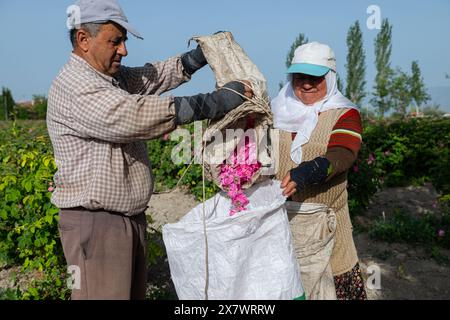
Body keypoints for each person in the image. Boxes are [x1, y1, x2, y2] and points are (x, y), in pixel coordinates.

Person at [47, 0, 253, 300]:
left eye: (124, 41)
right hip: (95, 225)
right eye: (114, 41)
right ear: (83, 39)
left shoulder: (111, 78)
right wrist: (214, 102)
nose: (123, 50)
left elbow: (150, 76)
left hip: (124, 221)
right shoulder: (75, 85)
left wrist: (197, 58)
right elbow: (136, 115)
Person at [272, 42, 367, 300]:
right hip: (280, 222)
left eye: (315, 77)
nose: (306, 84)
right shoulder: (274, 112)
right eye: (300, 77)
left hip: (325, 224)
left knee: (333, 288)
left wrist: (311, 171)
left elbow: (343, 153)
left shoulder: (344, 113)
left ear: (330, 77)